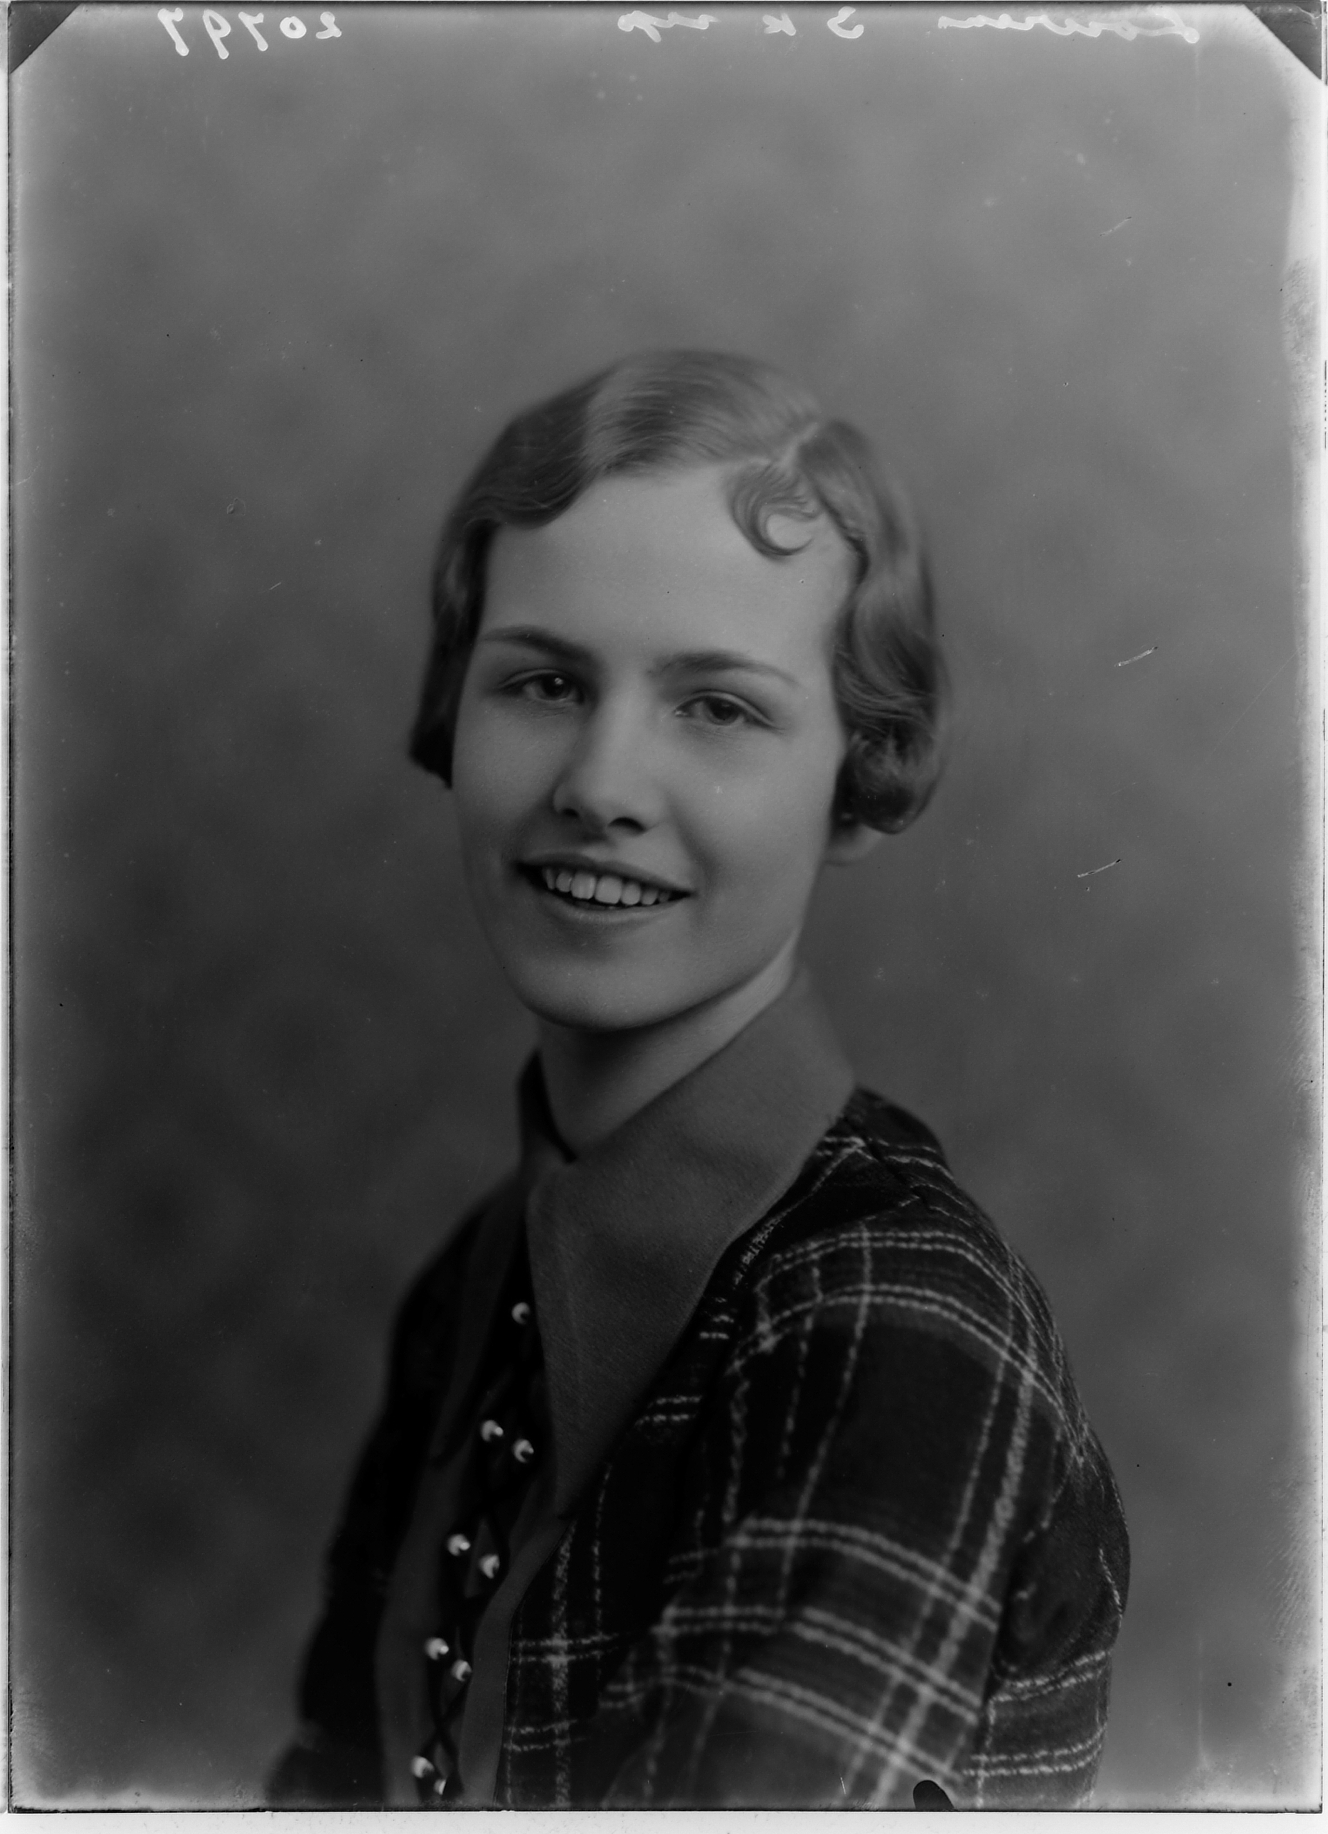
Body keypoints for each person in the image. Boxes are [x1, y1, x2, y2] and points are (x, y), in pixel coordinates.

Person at [268, 349, 1129, 1810]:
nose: (600, 785)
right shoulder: (476, 1278)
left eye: (719, 707)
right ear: (453, 715)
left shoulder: (887, 1322)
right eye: (544, 682)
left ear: (856, 777)